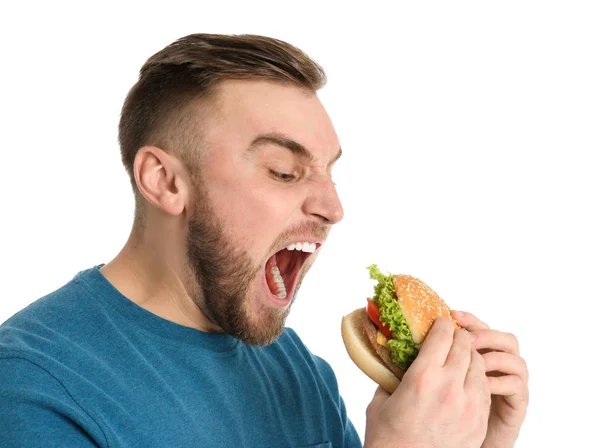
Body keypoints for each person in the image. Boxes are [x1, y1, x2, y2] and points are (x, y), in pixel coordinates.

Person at [0, 33, 528, 447]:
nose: (333, 208)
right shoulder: (33, 387)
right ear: (165, 181)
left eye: (328, 173)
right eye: (283, 171)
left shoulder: (294, 367)